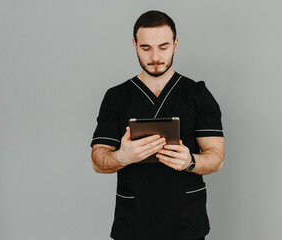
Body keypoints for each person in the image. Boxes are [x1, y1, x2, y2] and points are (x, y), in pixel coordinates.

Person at [91, 10, 224, 240]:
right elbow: (98, 160)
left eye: (163, 47)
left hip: (187, 223)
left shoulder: (197, 95)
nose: (155, 56)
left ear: (175, 43)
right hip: (133, 224)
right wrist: (123, 156)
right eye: (146, 48)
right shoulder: (116, 97)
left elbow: (217, 157)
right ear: (134, 45)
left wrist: (190, 161)